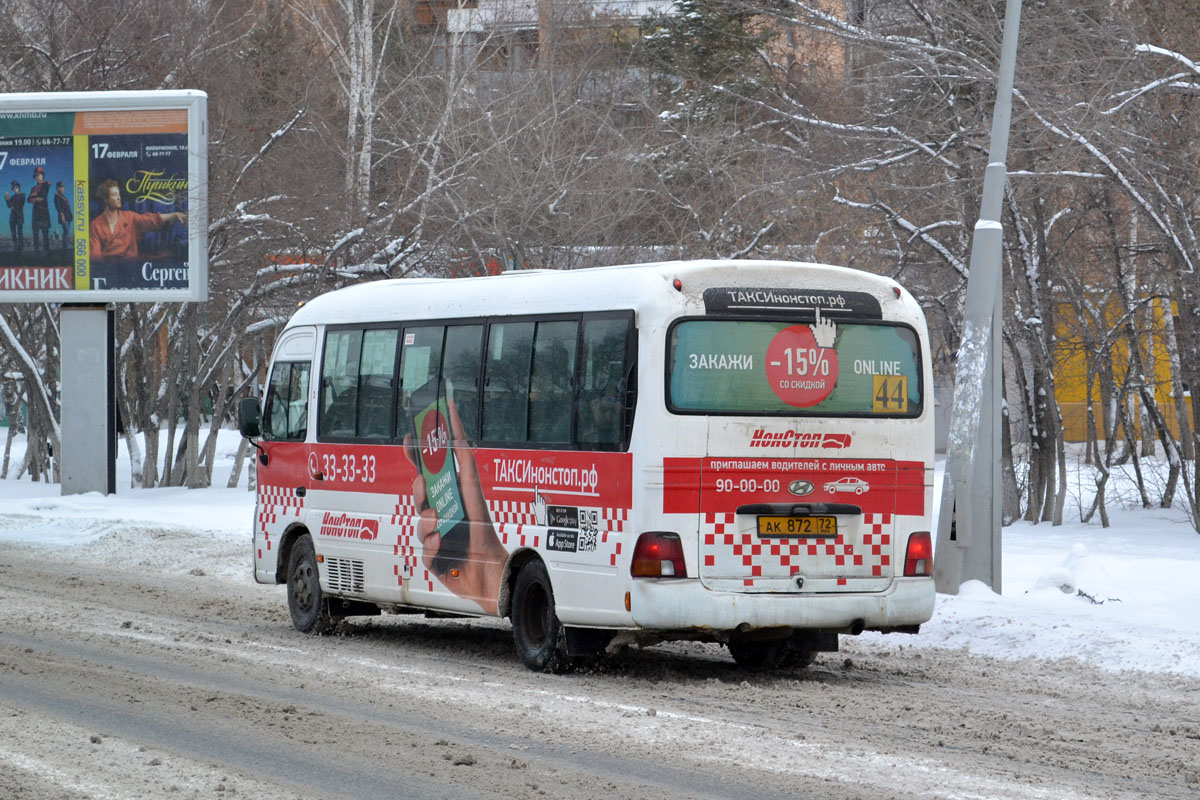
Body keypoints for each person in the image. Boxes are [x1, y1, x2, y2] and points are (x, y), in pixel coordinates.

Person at [402, 396, 506, 614]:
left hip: (486, 564)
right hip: (483, 574)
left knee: (430, 502)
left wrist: (487, 563)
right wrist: (485, 580)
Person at [89, 179, 187, 260]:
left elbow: (151, 219)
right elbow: (95, 256)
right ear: (106, 199)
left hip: (131, 267)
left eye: (119, 194)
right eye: (114, 195)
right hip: (109, 271)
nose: (119, 198)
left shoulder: (129, 217)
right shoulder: (96, 225)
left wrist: (174, 215)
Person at [28, 166, 51, 258]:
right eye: (36, 176)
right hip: (35, 213)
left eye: (40, 175)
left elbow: (42, 196)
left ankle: (47, 253)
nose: (38, 177)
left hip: (44, 212)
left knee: (45, 234)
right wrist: (35, 198)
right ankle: (36, 253)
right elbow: (28, 199)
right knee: (35, 234)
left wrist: (34, 197)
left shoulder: (46, 184)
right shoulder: (33, 188)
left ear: (43, 176)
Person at [5, 181, 25, 254]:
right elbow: (9, 206)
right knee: (13, 233)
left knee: (20, 233)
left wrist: (12, 204)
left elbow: (20, 204)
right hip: (12, 217)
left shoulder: (23, 195)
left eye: (16, 187)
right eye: (13, 188)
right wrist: (7, 199)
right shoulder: (12, 197)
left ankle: (21, 247)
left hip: (19, 216)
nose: (15, 189)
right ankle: (15, 247)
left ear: (19, 188)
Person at [53, 181, 72, 251]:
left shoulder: (64, 197)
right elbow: (58, 207)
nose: (62, 189)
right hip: (63, 216)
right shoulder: (56, 196)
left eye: (63, 187)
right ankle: (65, 248)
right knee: (66, 230)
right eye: (60, 187)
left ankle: (65, 247)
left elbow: (67, 207)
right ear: (57, 188)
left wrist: (70, 216)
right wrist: (62, 215)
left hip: (68, 216)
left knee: (66, 232)